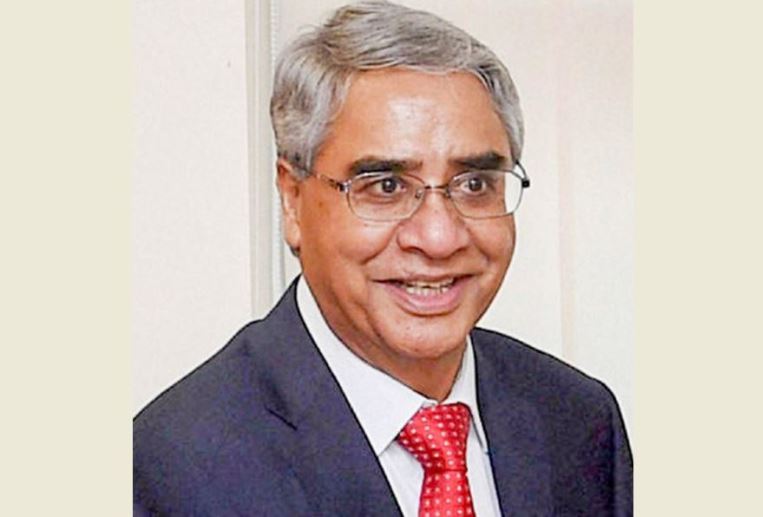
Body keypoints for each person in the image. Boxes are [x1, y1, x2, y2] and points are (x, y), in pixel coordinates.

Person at [133, 1, 632, 515]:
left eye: (474, 184)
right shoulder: (176, 469)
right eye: (386, 186)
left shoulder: (578, 422)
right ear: (292, 200)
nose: (439, 238)